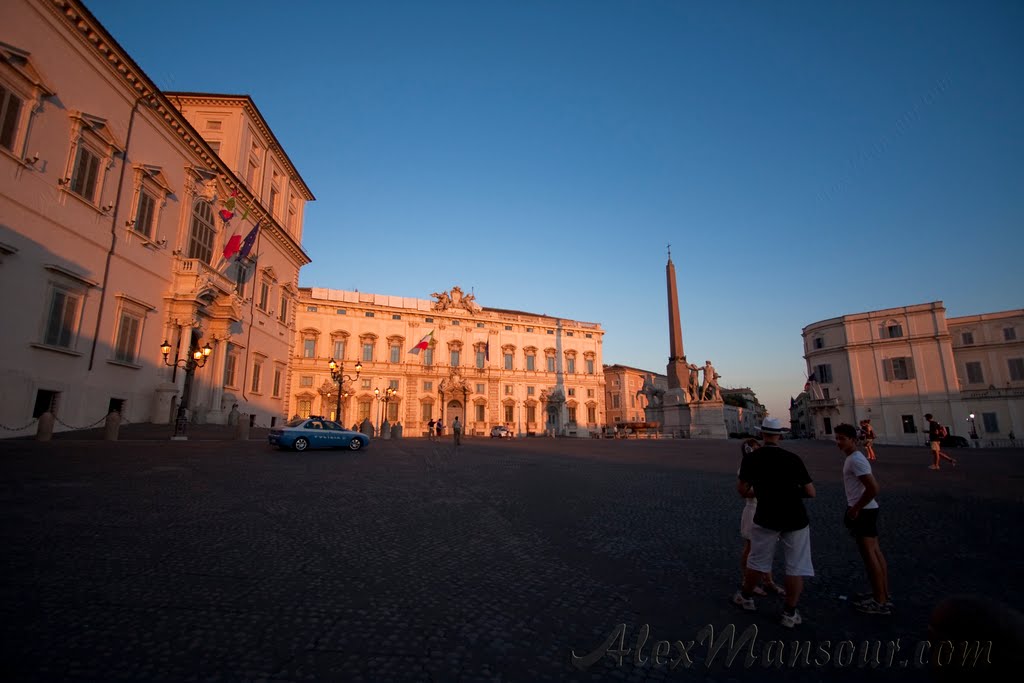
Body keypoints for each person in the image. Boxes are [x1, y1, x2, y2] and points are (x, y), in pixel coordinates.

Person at [733, 417, 815, 628]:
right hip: (795, 516)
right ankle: (789, 612)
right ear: (779, 435)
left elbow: (742, 490)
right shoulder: (793, 458)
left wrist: (763, 491)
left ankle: (746, 597)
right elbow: (810, 492)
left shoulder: (752, 459)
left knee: (757, 560)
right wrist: (788, 492)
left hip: (766, 514)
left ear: (762, 434)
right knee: (795, 566)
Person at [834, 423, 891, 615]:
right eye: (837, 438)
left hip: (863, 511)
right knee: (875, 552)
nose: (838, 442)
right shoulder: (855, 458)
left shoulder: (855, 460)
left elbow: (873, 488)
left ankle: (879, 601)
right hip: (868, 509)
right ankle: (882, 593)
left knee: (869, 556)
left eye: (842, 438)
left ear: (853, 440)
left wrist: (855, 509)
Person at [736, 438, 785, 597]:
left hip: (768, 509)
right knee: (751, 549)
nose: (760, 450)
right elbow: (743, 492)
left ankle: (768, 581)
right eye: (756, 448)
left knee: (767, 548)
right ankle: (747, 581)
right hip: (753, 510)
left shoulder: (766, 466)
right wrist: (766, 491)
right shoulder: (746, 468)